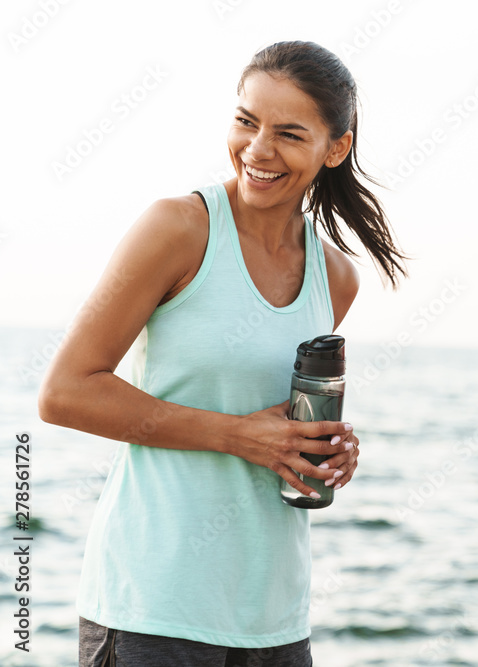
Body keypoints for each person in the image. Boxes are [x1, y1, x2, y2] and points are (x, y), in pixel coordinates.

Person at [38, 41, 407, 666]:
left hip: (274, 621)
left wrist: (326, 451)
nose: (258, 150)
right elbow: (65, 391)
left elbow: (274, 419)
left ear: (335, 148)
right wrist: (240, 436)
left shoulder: (334, 277)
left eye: (289, 133)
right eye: (246, 121)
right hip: (153, 607)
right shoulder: (179, 229)